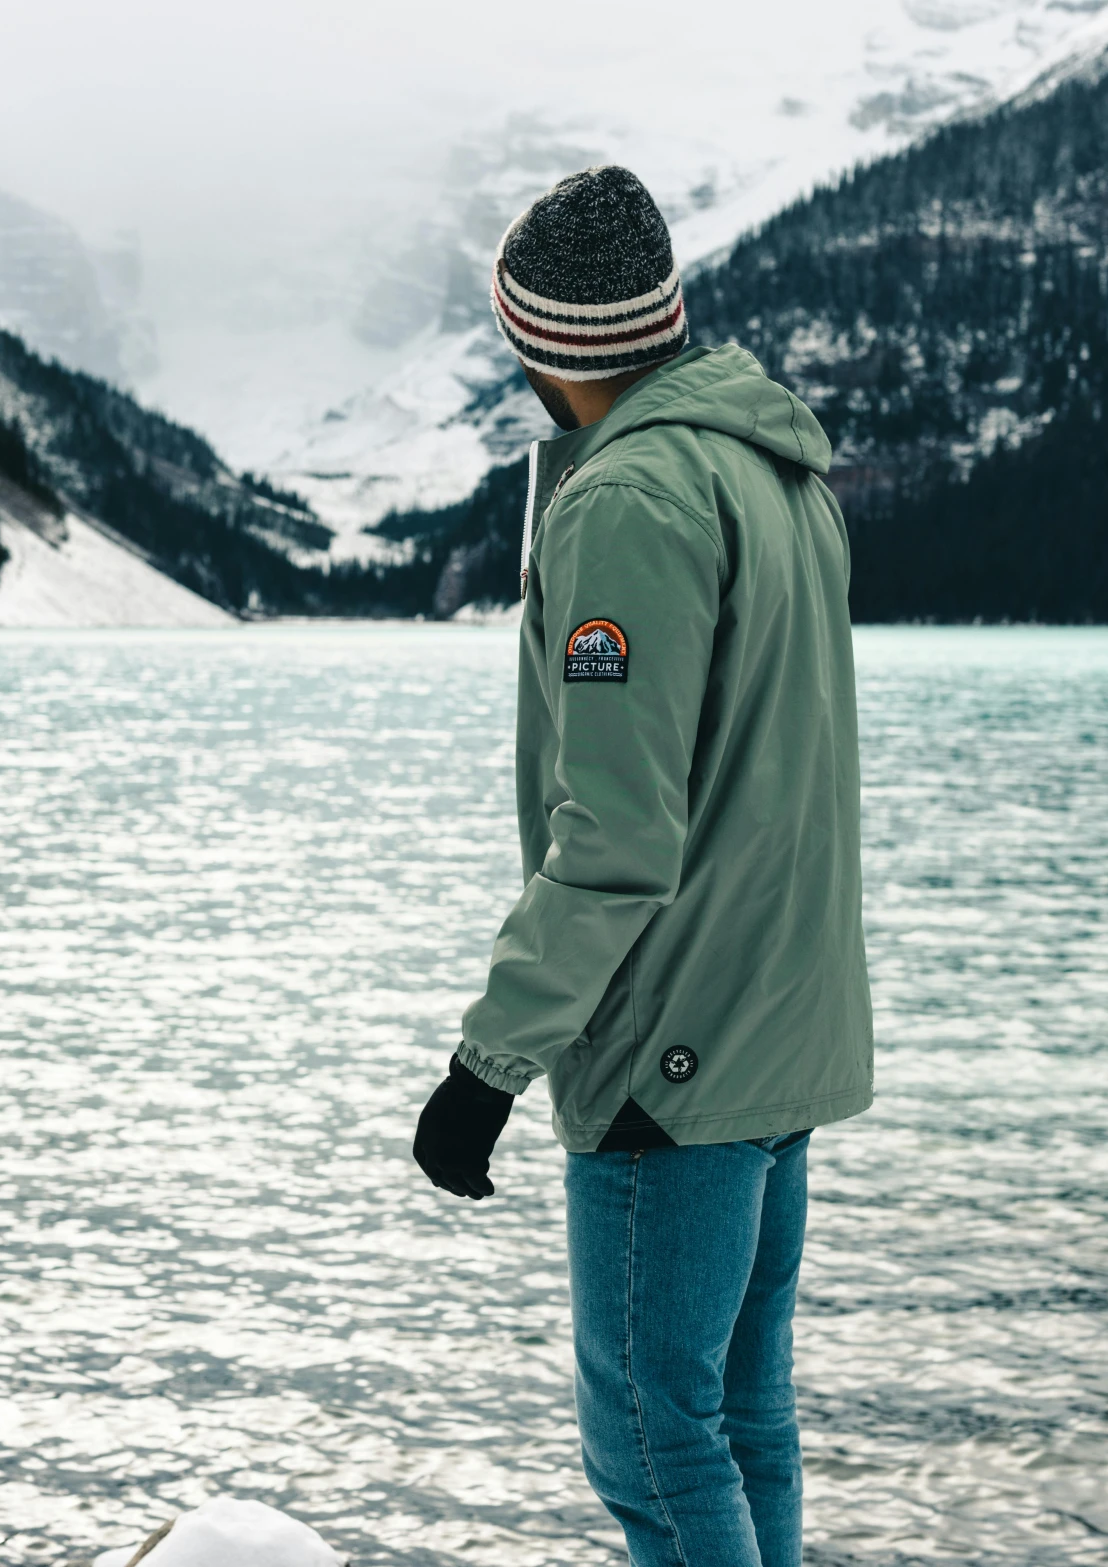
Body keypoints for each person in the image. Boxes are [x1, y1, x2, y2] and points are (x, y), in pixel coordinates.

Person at [411, 166, 874, 1567]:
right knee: (740, 1415)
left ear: (546, 347)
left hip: (671, 1057)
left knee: (652, 1445)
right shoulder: (774, 473)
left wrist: (482, 1068)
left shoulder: (631, 506)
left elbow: (613, 842)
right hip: (775, 1034)